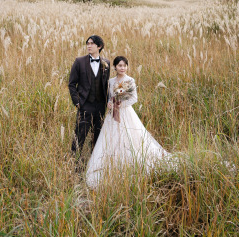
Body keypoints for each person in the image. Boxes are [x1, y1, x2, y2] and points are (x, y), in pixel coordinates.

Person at [85, 56, 171, 188]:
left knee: (129, 135)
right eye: (120, 65)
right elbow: (109, 96)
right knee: (112, 136)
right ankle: (112, 161)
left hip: (125, 112)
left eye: (124, 65)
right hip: (112, 114)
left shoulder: (130, 80)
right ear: (115, 67)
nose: (122, 68)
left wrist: (120, 105)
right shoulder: (110, 81)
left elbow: (134, 98)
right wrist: (110, 103)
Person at [68, 35, 111, 169]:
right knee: (79, 136)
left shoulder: (106, 63)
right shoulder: (79, 61)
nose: (89, 46)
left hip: (100, 106)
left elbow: (106, 85)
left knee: (97, 137)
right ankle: (73, 164)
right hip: (85, 105)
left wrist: (108, 101)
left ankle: (94, 166)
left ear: (99, 46)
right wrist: (77, 102)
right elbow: (71, 84)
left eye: (92, 43)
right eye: (87, 43)